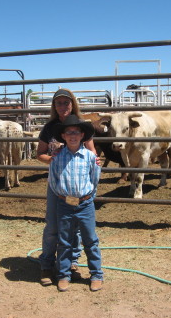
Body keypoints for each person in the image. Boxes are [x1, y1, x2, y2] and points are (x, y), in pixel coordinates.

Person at [36, 88, 98, 286]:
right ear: (54, 106)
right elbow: (40, 154)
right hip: (58, 185)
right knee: (54, 226)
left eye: (66, 102)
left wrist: (91, 181)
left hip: (79, 187)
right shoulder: (49, 128)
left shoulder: (81, 125)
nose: (62, 106)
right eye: (59, 103)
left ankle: (71, 263)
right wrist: (53, 159)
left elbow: (92, 153)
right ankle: (47, 264)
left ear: (73, 104)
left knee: (76, 228)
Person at [49, 115, 103, 292]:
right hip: (64, 204)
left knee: (90, 240)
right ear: (63, 136)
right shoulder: (56, 158)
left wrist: (88, 197)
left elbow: (94, 179)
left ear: (82, 135)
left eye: (76, 132)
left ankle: (96, 274)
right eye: (69, 132)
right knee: (64, 241)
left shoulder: (90, 157)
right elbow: (54, 181)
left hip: (85, 204)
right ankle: (64, 275)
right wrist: (62, 197)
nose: (73, 135)